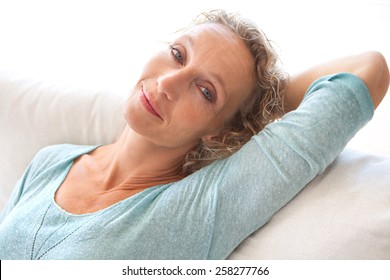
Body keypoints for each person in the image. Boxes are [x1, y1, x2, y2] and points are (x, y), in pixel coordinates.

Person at [0, 10, 388, 260]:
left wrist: (254, 109)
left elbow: (368, 69)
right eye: (178, 54)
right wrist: (229, 100)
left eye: (206, 91)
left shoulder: (203, 207)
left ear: (219, 132)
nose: (168, 82)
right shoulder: (51, 161)